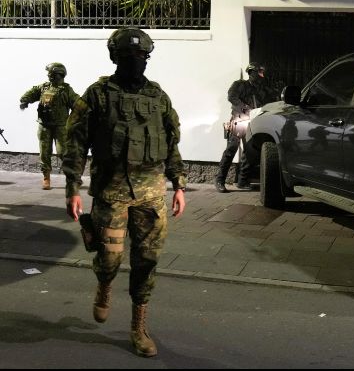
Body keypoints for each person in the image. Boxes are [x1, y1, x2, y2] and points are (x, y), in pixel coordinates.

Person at [62, 27, 187, 358]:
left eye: (140, 57)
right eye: (127, 57)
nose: (135, 63)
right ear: (114, 58)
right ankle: (104, 285)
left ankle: (139, 327)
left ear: (147, 59)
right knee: (110, 257)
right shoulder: (97, 95)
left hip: (151, 195)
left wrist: (179, 184)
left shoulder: (158, 98)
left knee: (147, 260)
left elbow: (171, 143)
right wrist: (72, 187)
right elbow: (75, 142)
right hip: (111, 192)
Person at [215, 62, 278, 193]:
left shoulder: (262, 89)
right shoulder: (240, 85)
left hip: (253, 122)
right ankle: (220, 180)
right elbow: (231, 96)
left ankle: (243, 181)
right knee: (231, 149)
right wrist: (245, 107)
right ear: (250, 73)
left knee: (250, 152)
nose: (260, 75)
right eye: (257, 72)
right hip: (239, 120)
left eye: (261, 73)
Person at [19, 63, 80, 190]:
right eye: (49, 74)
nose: (49, 76)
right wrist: (25, 101)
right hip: (44, 126)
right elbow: (30, 94)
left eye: (51, 74)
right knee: (44, 153)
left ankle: (72, 177)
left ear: (59, 74)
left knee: (63, 152)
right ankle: (46, 178)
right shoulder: (44, 87)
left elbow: (78, 104)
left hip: (61, 127)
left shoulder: (66, 90)